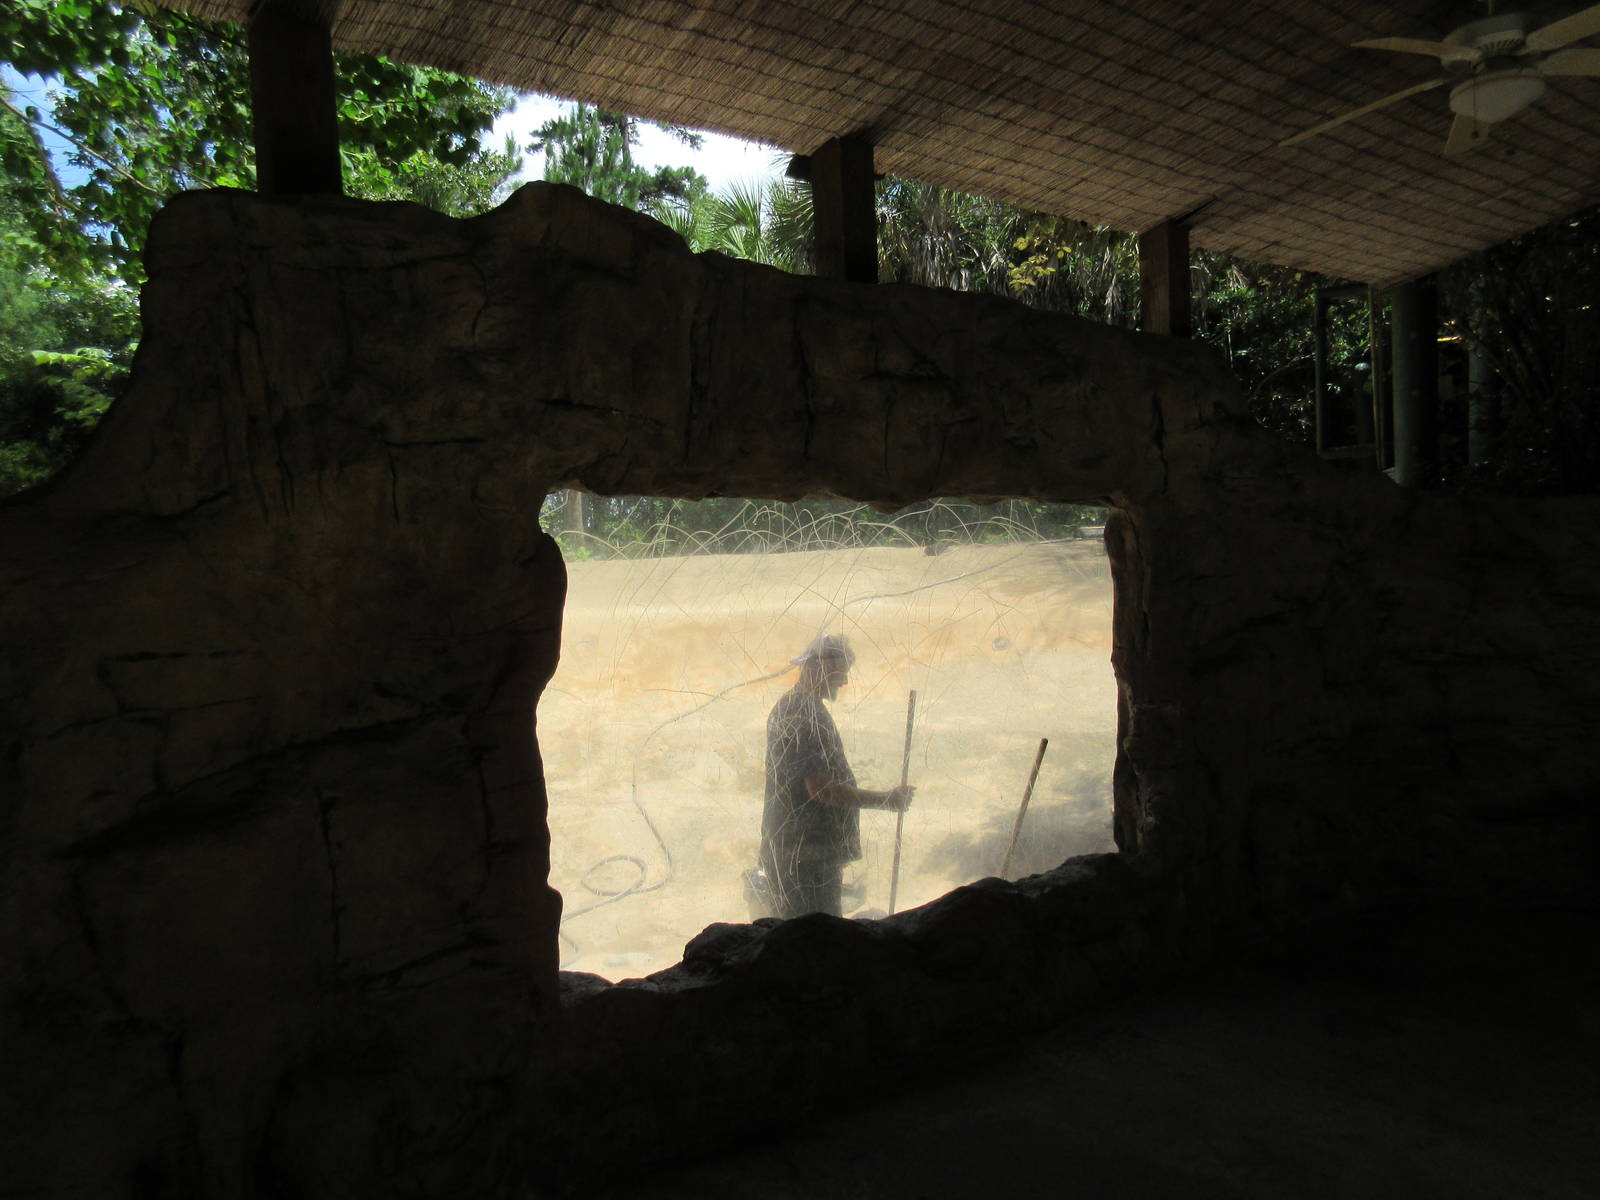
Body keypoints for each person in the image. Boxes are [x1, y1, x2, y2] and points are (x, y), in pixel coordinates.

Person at [757, 634, 915, 918]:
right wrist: (887, 801)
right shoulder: (801, 712)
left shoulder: (805, 709)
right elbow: (822, 790)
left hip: (806, 856)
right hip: (804, 859)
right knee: (814, 942)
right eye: (839, 672)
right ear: (817, 666)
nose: (843, 681)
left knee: (810, 940)